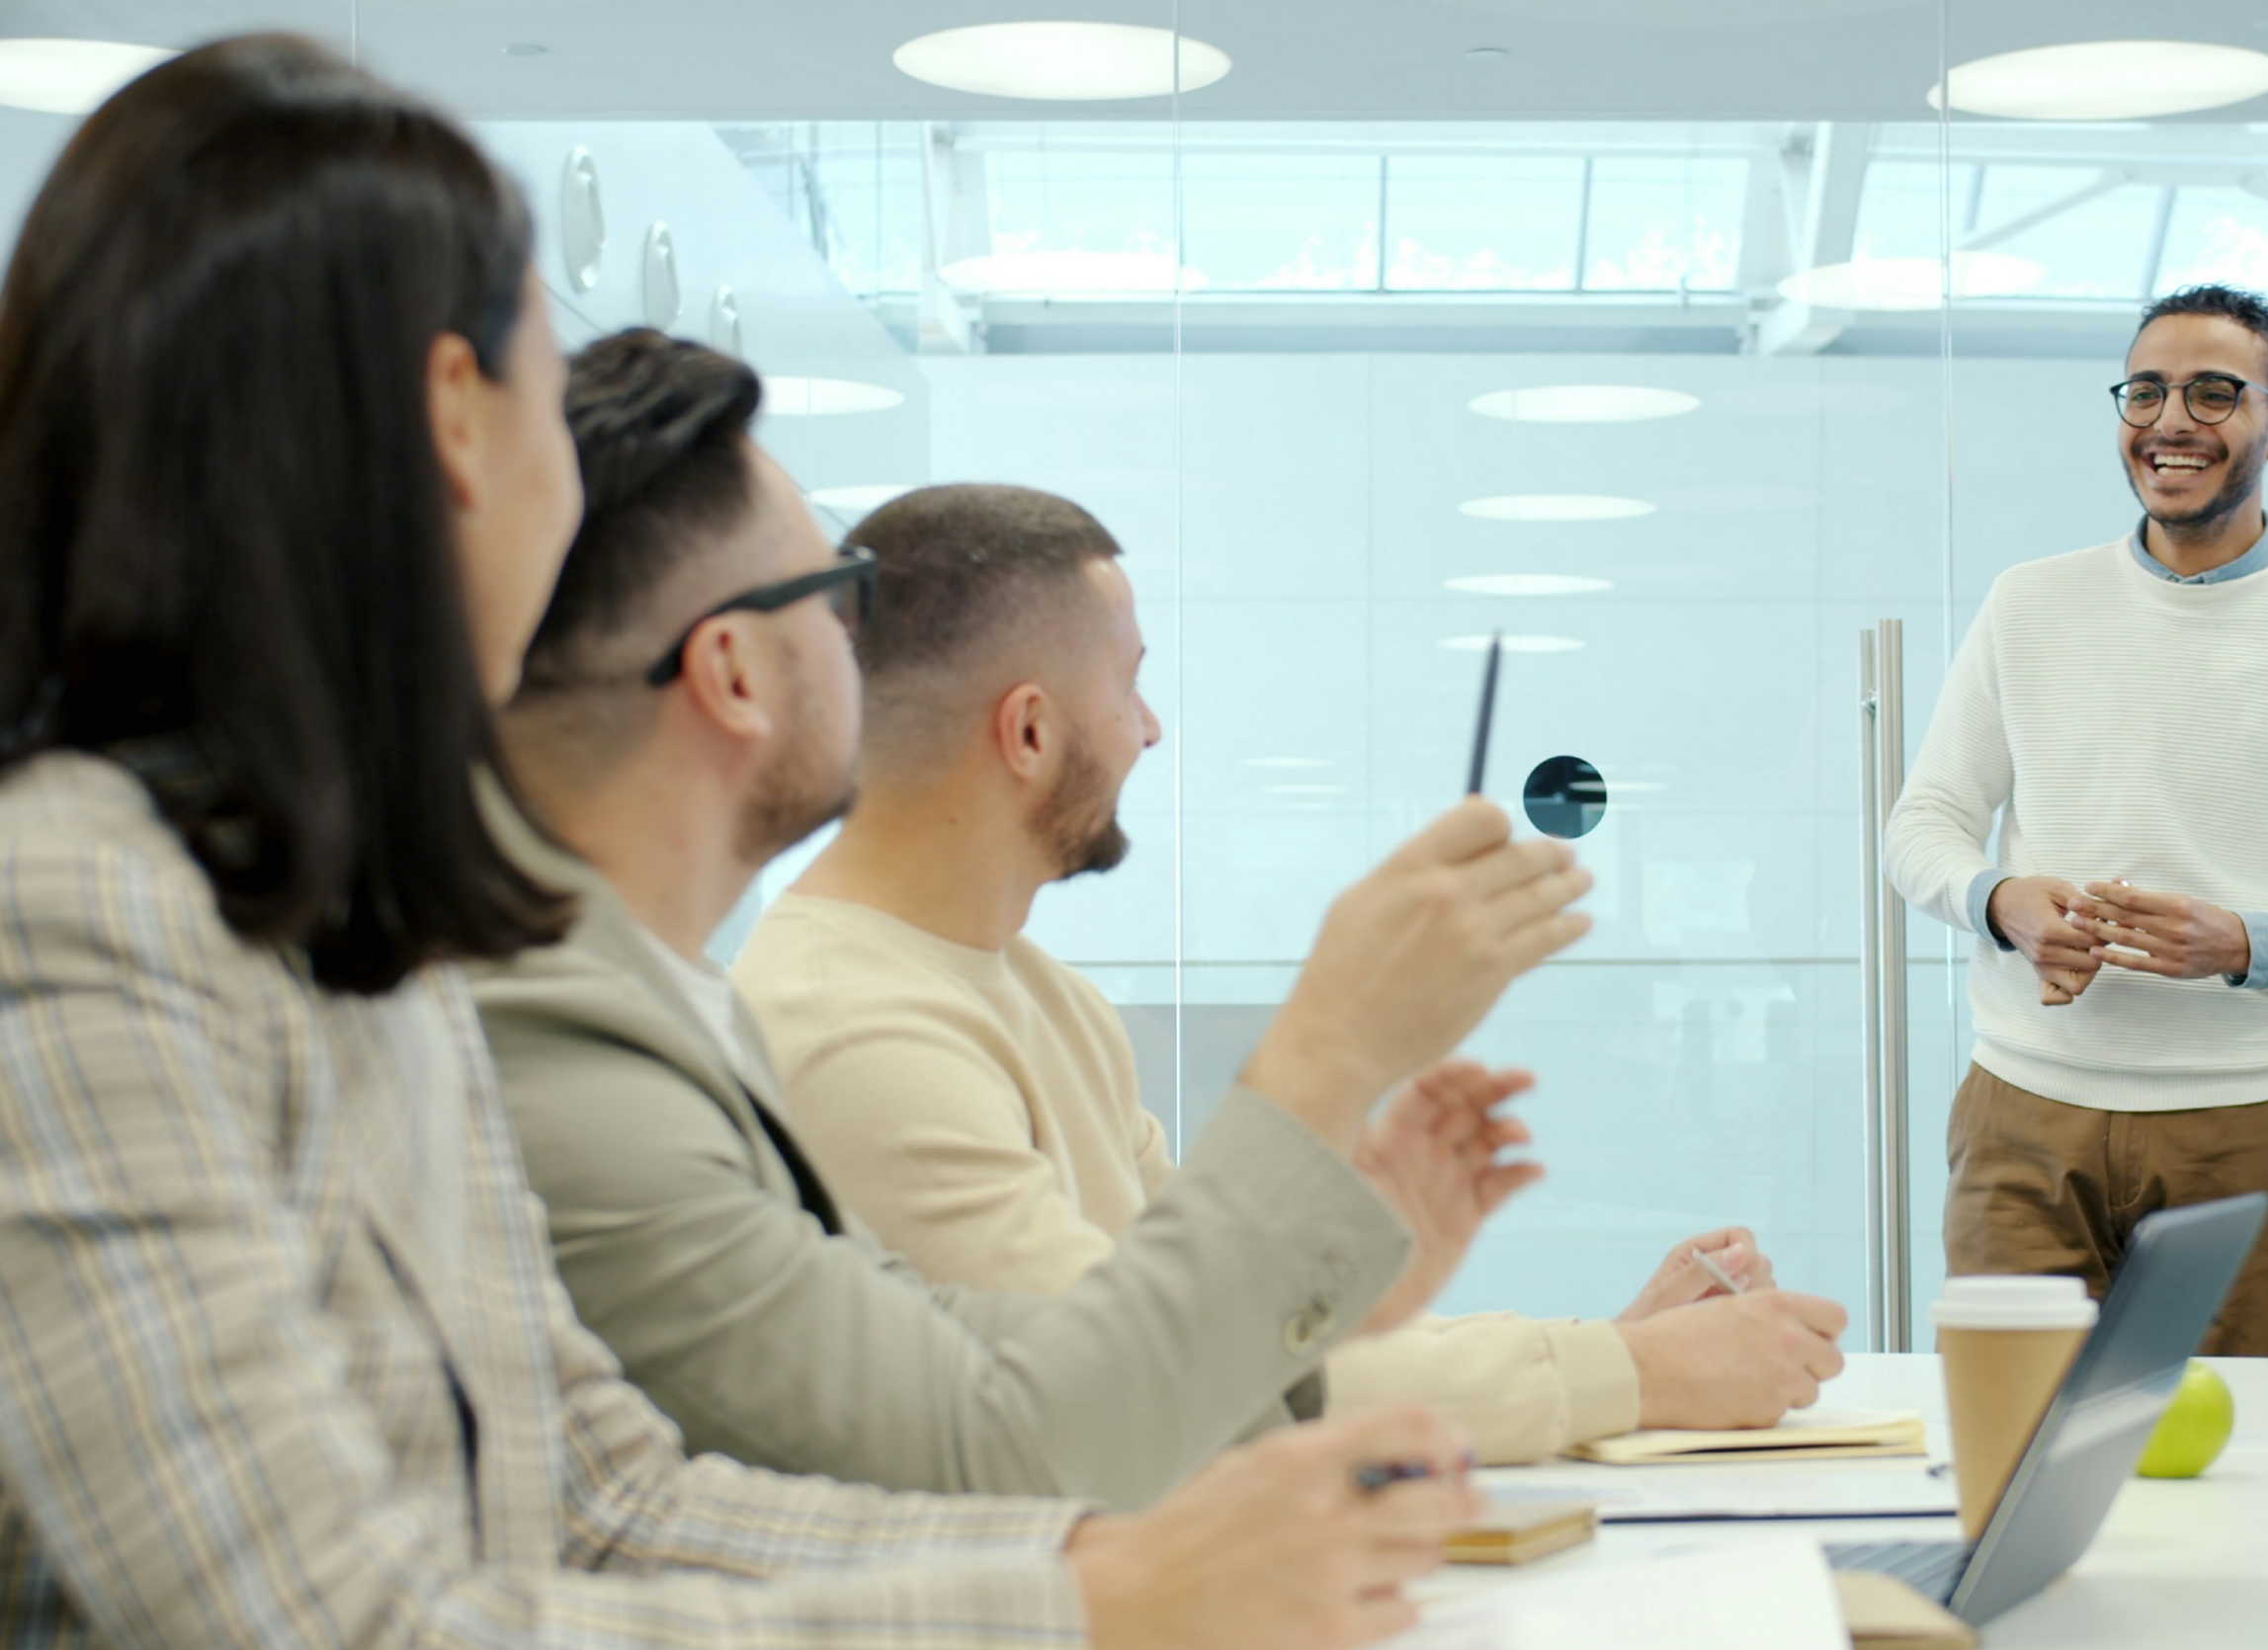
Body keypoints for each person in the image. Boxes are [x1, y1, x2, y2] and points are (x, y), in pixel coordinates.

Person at [0, 37, 1483, 1650]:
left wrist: (1095, 1578)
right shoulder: (75, 904)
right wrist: (1097, 1626)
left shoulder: (359, 937)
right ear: (452, 417)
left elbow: (602, 1501)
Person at [477, 329, 1584, 1507]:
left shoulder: (684, 1016)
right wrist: (1333, 1048)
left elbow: (1068, 1361)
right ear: (735, 671)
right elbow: (1035, 1431)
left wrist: (1348, 1251)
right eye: (834, 600)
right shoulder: (635, 1045)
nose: (867, 655)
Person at [731, 483, 1851, 1464]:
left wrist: (1623, 1348)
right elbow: (1156, 1392)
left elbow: (1236, 1340)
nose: (1150, 730)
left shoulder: (1044, 996)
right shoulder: (851, 1030)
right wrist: (1629, 1371)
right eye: (1130, 685)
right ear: (1027, 731)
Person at [1884, 283, 2268, 1423]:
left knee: (2227, 1478)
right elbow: (1923, 825)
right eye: (2145, 390)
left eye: (2213, 392)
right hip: (2021, 1114)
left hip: (2247, 1128)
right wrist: (2002, 901)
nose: (2170, 419)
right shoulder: (2027, 603)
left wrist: (2244, 942)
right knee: (2004, 1457)